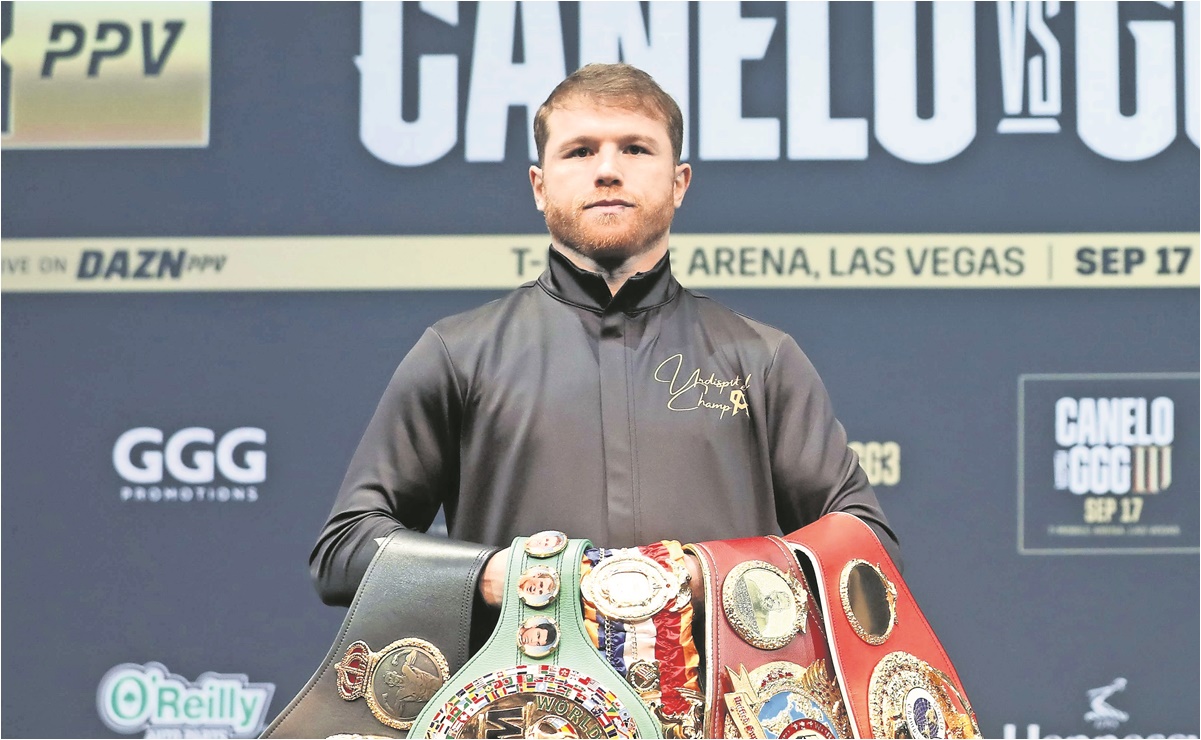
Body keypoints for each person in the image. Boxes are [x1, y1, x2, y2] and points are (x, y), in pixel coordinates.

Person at [310, 63, 899, 612]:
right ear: (539, 186)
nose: (608, 168)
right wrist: (492, 575)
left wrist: (712, 576)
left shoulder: (763, 360)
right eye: (581, 150)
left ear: (679, 183)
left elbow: (865, 545)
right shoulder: (457, 353)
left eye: (636, 148)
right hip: (523, 712)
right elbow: (344, 551)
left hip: (721, 711)